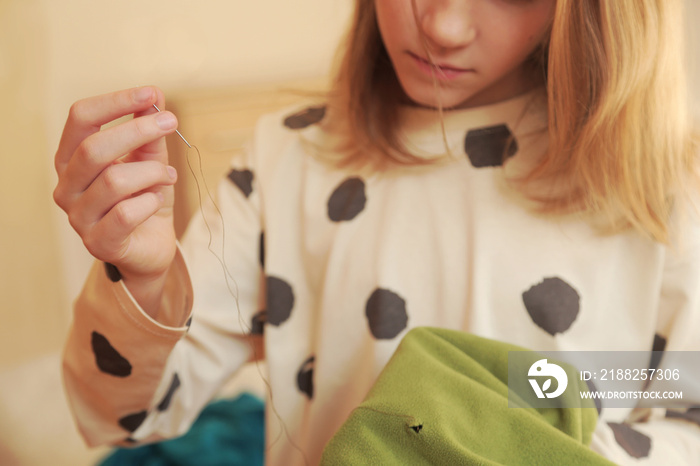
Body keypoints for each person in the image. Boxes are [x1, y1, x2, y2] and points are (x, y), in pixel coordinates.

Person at [53, 0, 700, 464]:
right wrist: (143, 279)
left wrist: (513, 424)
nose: (444, 25)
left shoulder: (665, 185)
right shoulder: (288, 159)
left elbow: (679, 403)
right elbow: (119, 419)